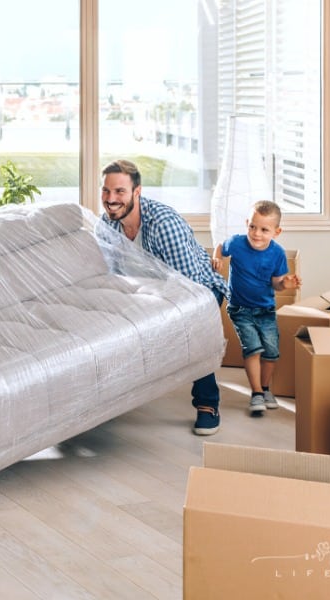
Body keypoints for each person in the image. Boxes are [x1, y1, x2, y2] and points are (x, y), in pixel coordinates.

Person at [99, 159, 229, 435]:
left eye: (119, 192)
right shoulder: (107, 225)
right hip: (147, 293)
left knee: (191, 328)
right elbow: (113, 277)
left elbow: (191, 290)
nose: (111, 199)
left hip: (198, 291)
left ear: (137, 192)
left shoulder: (162, 224)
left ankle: (208, 403)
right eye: (106, 191)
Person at [212, 200, 301, 415]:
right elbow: (221, 247)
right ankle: (256, 393)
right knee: (253, 349)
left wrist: (285, 284)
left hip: (265, 309)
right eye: (252, 226)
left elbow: (276, 283)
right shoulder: (238, 243)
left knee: (271, 352)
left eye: (264, 229)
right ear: (246, 224)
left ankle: (266, 388)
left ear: (276, 232)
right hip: (240, 308)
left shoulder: (277, 254)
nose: (256, 234)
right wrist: (216, 258)